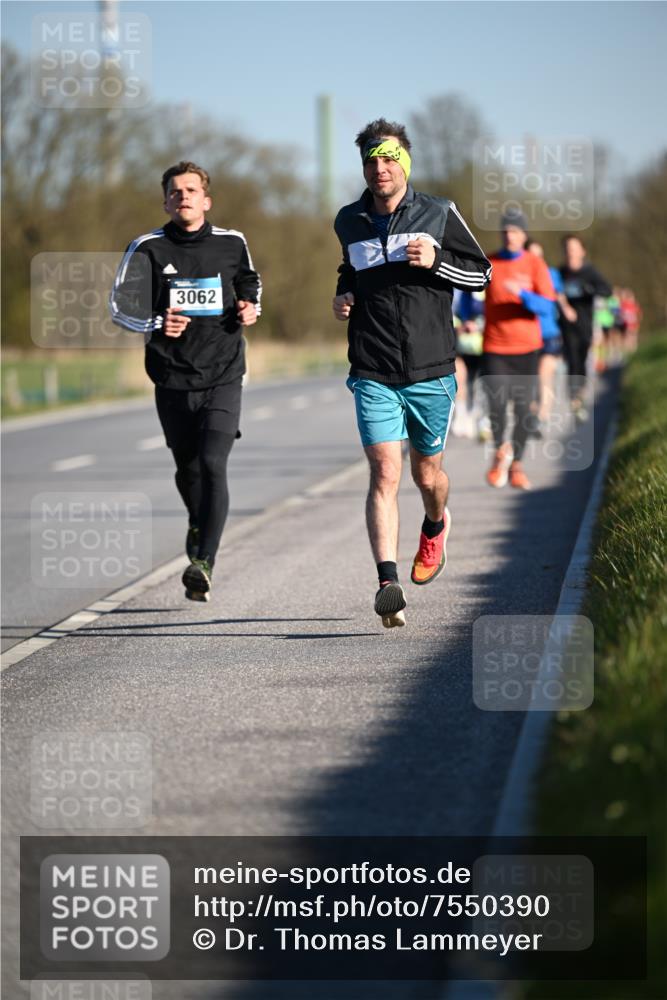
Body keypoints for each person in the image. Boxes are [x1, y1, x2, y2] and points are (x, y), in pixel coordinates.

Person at [332, 118, 491, 628]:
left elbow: (482, 275)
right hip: (372, 366)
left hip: (431, 369)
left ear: (405, 163)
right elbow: (349, 268)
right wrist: (344, 293)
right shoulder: (348, 220)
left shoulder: (438, 212)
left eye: (389, 159)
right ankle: (387, 582)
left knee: (427, 477)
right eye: (371, 161)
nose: (380, 169)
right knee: (384, 473)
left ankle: (436, 523)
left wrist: (438, 260)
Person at [110, 161, 261, 601]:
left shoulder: (232, 243)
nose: (184, 197)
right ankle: (197, 521)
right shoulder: (146, 248)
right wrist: (158, 321)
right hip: (172, 377)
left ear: (206, 199)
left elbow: (250, 283)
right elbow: (120, 307)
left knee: (214, 463)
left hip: (224, 372)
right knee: (188, 468)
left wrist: (250, 307)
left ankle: (204, 561)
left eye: (191, 190)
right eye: (175, 192)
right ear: (166, 201)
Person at [483, 210, 556, 491]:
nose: (509, 236)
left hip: (526, 349)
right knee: (497, 405)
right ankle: (500, 450)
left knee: (525, 411)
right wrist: (466, 317)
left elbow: (548, 306)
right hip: (495, 347)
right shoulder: (489, 262)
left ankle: (517, 465)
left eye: (514, 231)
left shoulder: (535, 264)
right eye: (505, 231)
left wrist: (523, 295)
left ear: (523, 235)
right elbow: (469, 297)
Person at [558, 235, 612, 421]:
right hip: (566, 325)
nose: (570, 252)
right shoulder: (560, 272)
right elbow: (552, 293)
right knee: (572, 359)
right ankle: (575, 398)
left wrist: (590, 290)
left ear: (582, 251)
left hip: (585, 324)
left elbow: (607, 290)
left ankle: (580, 393)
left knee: (582, 359)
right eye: (567, 248)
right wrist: (562, 306)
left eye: (574, 248)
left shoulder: (590, 272)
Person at [525, 239, 566, 429]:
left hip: (550, 333)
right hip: (527, 334)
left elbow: (558, 296)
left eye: (539, 256)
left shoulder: (552, 274)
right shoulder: (521, 276)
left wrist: (568, 311)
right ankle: (533, 413)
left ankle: (542, 416)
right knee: (531, 377)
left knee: (544, 374)